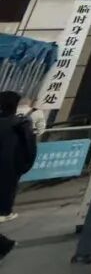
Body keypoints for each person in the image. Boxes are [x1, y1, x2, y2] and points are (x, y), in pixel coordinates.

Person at [0, 90, 36, 223]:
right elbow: (29, 146)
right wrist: (25, 164)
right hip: (11, 163)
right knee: (7, 187)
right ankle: (4, 212)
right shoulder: (20, 124)